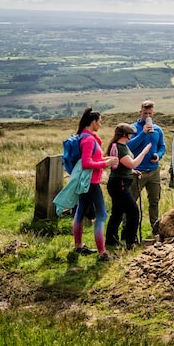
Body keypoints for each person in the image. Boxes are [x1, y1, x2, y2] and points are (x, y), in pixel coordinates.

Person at [71, 107, 119, 261]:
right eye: (99, 122)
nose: (100, 125)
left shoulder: (84, 136)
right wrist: (105, 164)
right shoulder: (88, 139)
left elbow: (92, 159)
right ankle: (102, 253)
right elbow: (86, 163)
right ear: (93, 122)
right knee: (102, 214)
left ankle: (78, 246)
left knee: (80, 212)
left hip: (86, 181)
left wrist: (106, 160)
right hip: (91, 182)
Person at [104, 123, 151, 250]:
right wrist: (144, 152)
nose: (131, 136)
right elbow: (132, 163)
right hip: (120, 184)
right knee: (133, 211)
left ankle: (111, 239)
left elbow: (123, 165)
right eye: (130, 134)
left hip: (118, 182)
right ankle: (130, 241)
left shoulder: (118, 146)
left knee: (117, 212)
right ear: (125, 135)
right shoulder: (121, 148)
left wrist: (132, 172)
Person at [128, 100, 166, 236]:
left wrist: (158, 155)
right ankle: (127, 230)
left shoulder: (158, 130)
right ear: (140, 112)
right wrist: (143, 133)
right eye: (145, 113)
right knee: (132, 202)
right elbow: (129, 147)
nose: (147, 115)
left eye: (150, 113)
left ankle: (155, 229)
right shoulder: (132, 128)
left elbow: (162, 146)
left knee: (154, 201)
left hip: (154, 171)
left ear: (153, 113)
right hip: (137, 171)